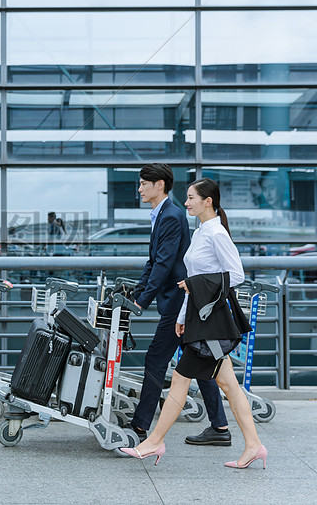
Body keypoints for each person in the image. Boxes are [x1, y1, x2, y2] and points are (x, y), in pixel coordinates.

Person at [123, 178, 267, 469]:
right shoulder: (202, 230)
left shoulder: (216, 233)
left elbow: (235, 275)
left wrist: (195, 285)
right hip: (199, 320)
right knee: (230, 386)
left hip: (210, 324)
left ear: (207, 201)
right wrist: (180, 318)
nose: (186, 203)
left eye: (191, 198)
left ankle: (154, 441)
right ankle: (254, 446)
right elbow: (193, 281)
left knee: (180, 379)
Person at [125, 164, 231, 452]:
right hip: (180, 303)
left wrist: (142, 301)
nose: (140, 189)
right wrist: (137, 294)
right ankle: (220, 427)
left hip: (179, 302)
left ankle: (140, 426)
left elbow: (164, 264)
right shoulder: (162, 214)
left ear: (159, 184)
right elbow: (153, 261)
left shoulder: (171, 215)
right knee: (200, 363)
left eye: (143, 184)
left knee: (156, 359)